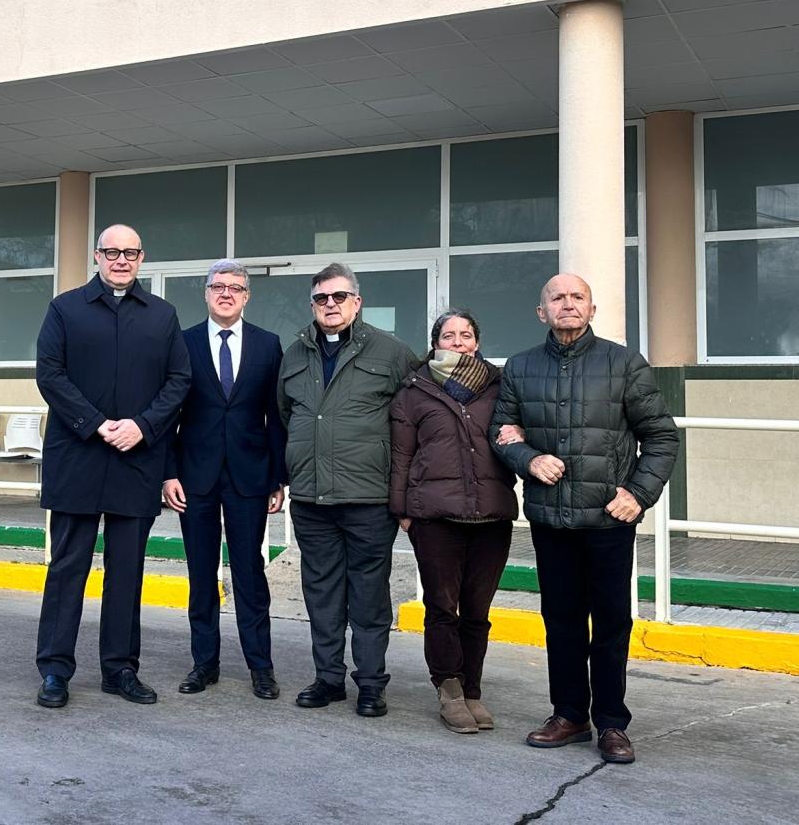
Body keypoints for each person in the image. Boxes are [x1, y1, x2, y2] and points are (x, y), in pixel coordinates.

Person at [492, 273, 678, 765]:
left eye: (578, 297)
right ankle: (570, 715)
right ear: (542, 312)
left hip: (608, 520)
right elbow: (502, 431)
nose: (568, 304)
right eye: (557, 297)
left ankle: (613, 723)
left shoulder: (625, 364)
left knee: (612, 624)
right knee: (561, 621)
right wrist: (529, 459)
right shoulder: (521, 367)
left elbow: (661, 437)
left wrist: (639, 494)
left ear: (592, 310)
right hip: (550, 519)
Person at [33, 224, 191, 709]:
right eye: (112, 252)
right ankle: (55, 669)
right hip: (77, 457)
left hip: (136, 461)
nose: (121, 260)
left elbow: (179, 379)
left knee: (127, 572)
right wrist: (96, 423)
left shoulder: (162, 316)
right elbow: (50, 374)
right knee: (67, 569)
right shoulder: (65, 309)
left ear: (141, 258)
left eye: (130, 252)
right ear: (97, 256)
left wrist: (143, 426)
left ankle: (120, 668)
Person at [278, 262, 416, 718]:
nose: (331, 305)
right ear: (312, 304)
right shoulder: (294, 355)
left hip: (368, 499)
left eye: (339, 297)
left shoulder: (391, 352)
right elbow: (286, 415)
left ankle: (371, 684)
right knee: (321, 594)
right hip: (311, 499)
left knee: (369, 596)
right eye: (322, 298)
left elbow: (412, 419)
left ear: (357, 302)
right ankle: (328, 679)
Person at [163, 260, 287, 700]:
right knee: (201, 573)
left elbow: (277, 417)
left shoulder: (269, 345)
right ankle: (204, 664)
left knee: (250, 573)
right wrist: (169, 473)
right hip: (194, 477)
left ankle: (261, 668)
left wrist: (278, 478)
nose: (226, 294)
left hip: (250, 478)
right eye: (218, 286)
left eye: (235, 287)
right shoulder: (183, 343)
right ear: (206, 293)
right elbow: (169, 414)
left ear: (247, 296)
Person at [389, 309, 517, 734]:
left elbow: (517, 437)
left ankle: (472, 690)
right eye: (449, 335)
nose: (457, 342)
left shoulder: (501, 386)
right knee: (443, 607)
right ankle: (449, 689)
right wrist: (402, 509)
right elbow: (402, 454)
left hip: (492, 512)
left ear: (476, 342)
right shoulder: (414, 389)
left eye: (465, 335)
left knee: (477, 610)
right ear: (435, 343)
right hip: (434, 515)